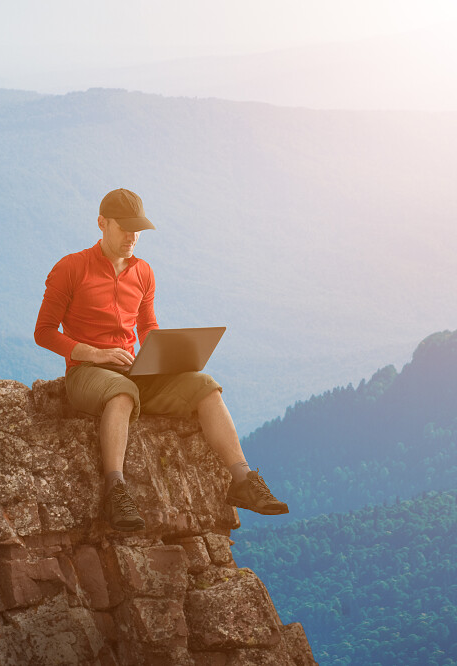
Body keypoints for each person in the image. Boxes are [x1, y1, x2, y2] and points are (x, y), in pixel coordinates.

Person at [34, 188, 289, 531]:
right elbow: (44, 332)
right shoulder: (70, 268)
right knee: (121, 393)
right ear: (101, 223)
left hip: (134, 371)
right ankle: (115, 490)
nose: (132, 236)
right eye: (123, 227)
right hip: (86, 373)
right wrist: (93, 353)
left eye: (137, 229)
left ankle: (242, 479)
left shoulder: (144, 273)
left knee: (205, 385)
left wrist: (167, 356)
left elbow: (147, 328)